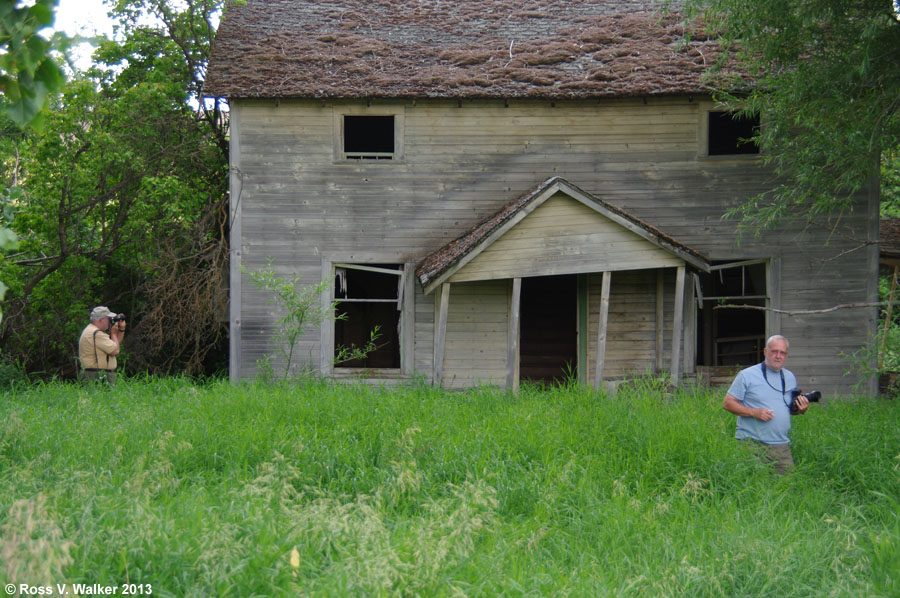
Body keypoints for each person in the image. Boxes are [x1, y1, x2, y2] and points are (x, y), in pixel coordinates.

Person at [722, 335, 810, 474]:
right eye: (774, 351)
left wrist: (800, 409)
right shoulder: (747, 375)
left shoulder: (790, 377)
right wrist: (754, 413)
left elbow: (789, 409)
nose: (778, 356)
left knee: (786, 488)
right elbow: (727, 403)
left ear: (786, 355)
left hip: (781, 445)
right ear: (765, 352)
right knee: (753, 487)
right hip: (751, 444)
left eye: (782, 353)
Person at [78, 306, 126, 385]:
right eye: (108, 319)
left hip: (96, 374)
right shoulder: (96, 334)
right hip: (96, 375)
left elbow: (114, 345)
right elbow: (115, 351)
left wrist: (121, 329)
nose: (110, 322)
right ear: (101, 319)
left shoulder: (92, 330)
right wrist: (113, 333)